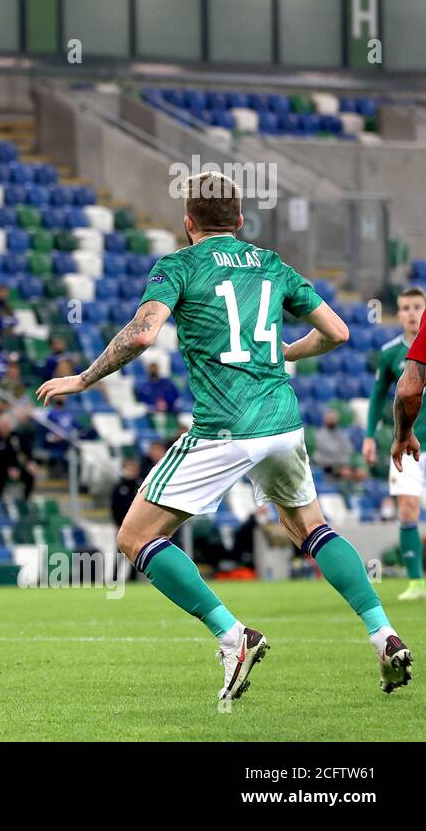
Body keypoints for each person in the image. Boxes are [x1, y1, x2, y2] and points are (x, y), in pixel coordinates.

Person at [38, 170, 412, 698]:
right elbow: (339, 332)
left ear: (187, 222)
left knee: (134, 537)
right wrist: (285, 352)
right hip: (283, 423)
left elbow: (143, 333)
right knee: (310, 528)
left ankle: (234, 636)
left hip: (225, 426)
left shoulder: (179, 265)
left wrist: (82, 378)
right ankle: (384, 634)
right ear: (239, 219)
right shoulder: (271, 264)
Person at [364, 287, 426, 602]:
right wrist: (369, 436)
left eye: (417, 306)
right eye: (405, 308)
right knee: (407, 509)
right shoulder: (390, 353)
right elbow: (377, 397)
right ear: (398, 313)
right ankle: (417, 582)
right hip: (408, 445)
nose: (412, 313)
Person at [0, 414, 36, 502]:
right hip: (0, 468)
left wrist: (30, 462)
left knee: (29, 475)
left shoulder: (16, 437)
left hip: (16, 468)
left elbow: (26, 451)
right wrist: (8, 469)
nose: (3, 429)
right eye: (1, 426)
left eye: (5, 426)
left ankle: (25, 500)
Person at [313, 409, 365, 482]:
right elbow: (330, 451)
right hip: (327, 466)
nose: (331, 421)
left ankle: (356, 492)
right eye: (329, 419)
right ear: (325, 420)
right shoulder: (320, 435)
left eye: (333, 418)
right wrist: (341, 462)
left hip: (343, 465)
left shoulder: (341, 433)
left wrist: (344, 463)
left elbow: (348, 449)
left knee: (361, 473)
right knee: (346, 473)